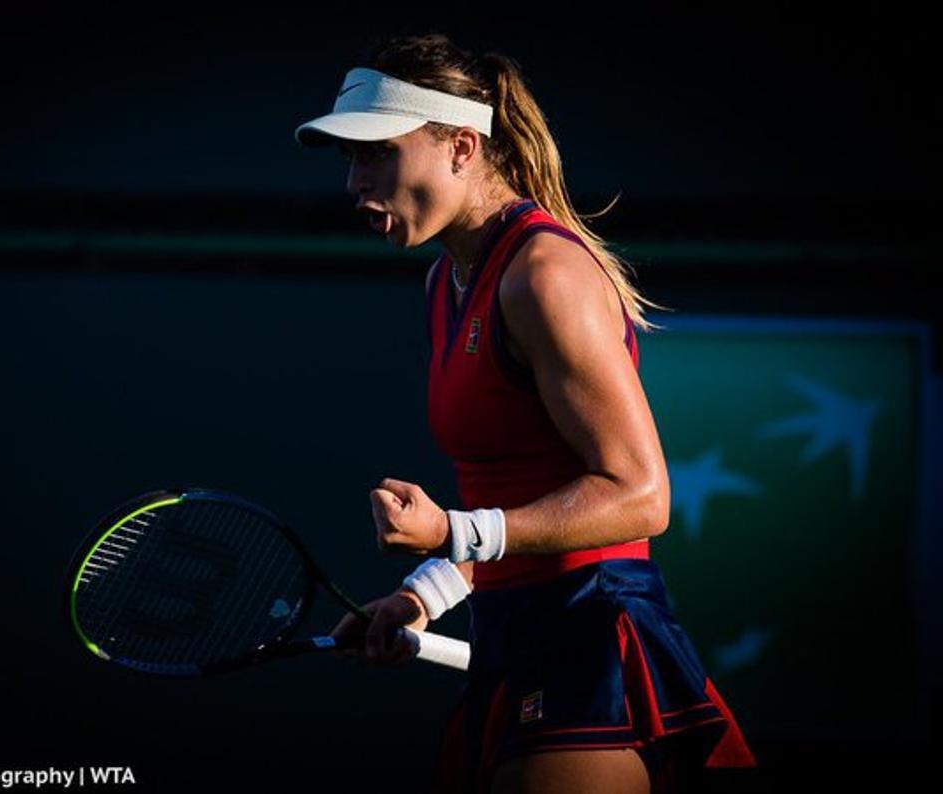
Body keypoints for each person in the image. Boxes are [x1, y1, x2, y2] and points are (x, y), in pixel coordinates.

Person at [294, 33, 759, 794]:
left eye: (376, 152)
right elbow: (518, 496)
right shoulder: (447, 280)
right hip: (513, 630)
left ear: (461, 147)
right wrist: (428, 591)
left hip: (588, 634)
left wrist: (453, 529)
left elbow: (641, 495)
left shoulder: (544, 275)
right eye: (350, 158)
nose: (354, 181)